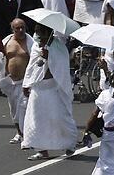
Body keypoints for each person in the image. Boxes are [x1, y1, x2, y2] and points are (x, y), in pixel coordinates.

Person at [22, 23, 77, 160]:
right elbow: (31, 66)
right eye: (36, 32)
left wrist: (49, 57)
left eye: (40, 32)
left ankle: (69, 144)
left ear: (48, 32)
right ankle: (41, 150)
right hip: (38, 88)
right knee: (36, 119)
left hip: (53, 88)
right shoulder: (36, 45)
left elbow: (61, 68)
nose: (37, 35)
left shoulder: (58, 47)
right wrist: (26, 83)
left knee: (59, 118)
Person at [0, 18, 33, 144]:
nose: (21, 30)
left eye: (23, 27)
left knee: (24, 108)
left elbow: (35, 61)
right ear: (13, 29)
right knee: (14, 110)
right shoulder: (7, 41)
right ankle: (19, 133)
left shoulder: (31, 43)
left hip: (25, 82)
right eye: (17, 28)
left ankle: (27, 135)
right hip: (10, 82)